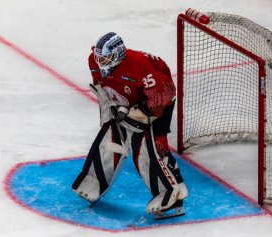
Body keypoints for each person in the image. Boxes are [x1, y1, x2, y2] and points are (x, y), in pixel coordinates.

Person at [72, 32, 188, 219]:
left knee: (151, 145)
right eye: (99, 57)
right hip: (129, 101)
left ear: (118, 54)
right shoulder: (94, 62)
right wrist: (114, 108)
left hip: (160, 100)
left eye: (107, 58)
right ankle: (94, 180)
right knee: (111, 136)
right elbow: (105, 87)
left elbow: (162, 97)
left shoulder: (141, 66)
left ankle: (171, 195)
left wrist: (138, 112)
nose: (101, 62)